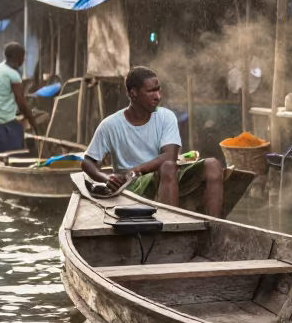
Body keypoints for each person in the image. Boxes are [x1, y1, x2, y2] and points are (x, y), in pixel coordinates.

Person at [81, 66, 224, 216]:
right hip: (132, 186)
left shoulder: (166, 117)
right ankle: (170, 226)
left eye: (158, 90)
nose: (158, 96)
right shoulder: (110, 125)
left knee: (213, 165)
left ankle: (214, 226)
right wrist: (106, 177)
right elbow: (88, 162)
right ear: (133, 93)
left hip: (167, 177)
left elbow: (170, 156)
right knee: (168, 167)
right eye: (151, 91)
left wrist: (135, 170)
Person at [0, 42, 38, 157]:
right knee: (17, 136)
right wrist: (34, 125)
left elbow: (1, 94)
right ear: (16, 56)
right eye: (22, 56)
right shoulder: (13, 75)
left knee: (15, 127)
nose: (23, 60)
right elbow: (21, 104)